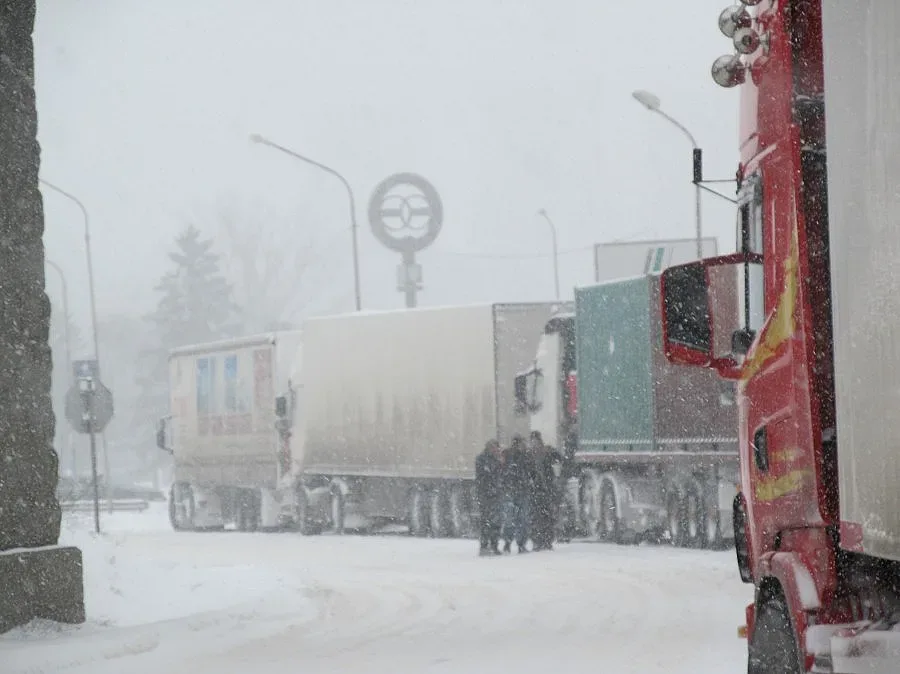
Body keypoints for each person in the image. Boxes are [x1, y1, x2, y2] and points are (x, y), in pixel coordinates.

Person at [528, 431, 564, 551]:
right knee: (536, 517)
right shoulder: (528, 455)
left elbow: (559, 459)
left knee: (547, 516)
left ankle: (547, 541)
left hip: (546, 490)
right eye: (533, 441)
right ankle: (538, 541)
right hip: (535, 490)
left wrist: (552, 451)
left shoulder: (546, 453)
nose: (535, 444)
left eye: (536, 441)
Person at [500, 435, 532, 554]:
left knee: (519, 519)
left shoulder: (523, 456)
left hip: (517, 490)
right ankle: (513, 543)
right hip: (513, 490)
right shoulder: (510, 455)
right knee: (515, 519)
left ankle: (516, 543)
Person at [475, 439, 504, 556]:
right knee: (486, 521)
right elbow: (486, 475)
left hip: (496, 494)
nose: (495, 450)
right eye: (493, 448)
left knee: (496, 521)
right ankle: (484, 545)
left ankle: (494, 545)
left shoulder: (497, 460)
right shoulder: (482, 459)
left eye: (496, 448)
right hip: (486, 494)